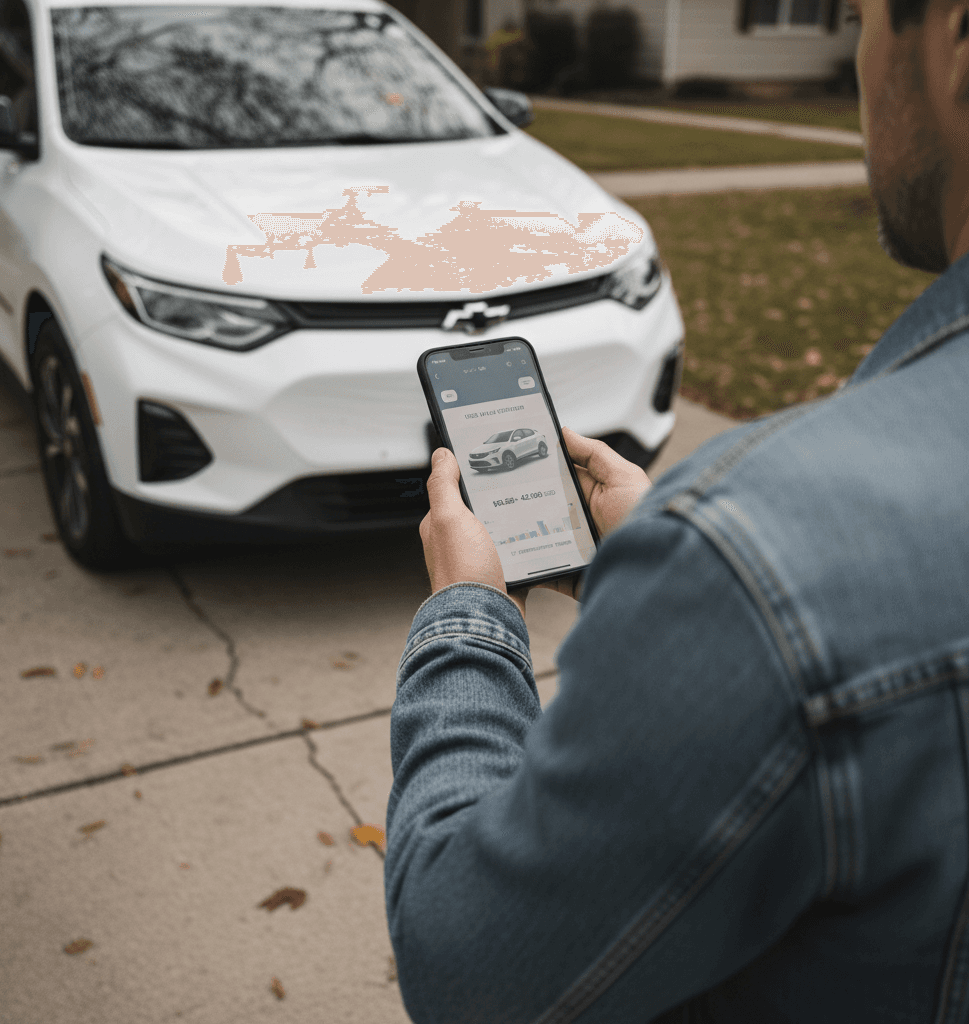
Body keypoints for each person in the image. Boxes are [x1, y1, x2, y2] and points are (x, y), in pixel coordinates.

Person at [384, 1, 969, 1020]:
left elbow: (468, 968)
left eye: (871, 15)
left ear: (956, 41)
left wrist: (465, 618)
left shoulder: (765, 563)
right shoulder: (762, 566)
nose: (864, 62)